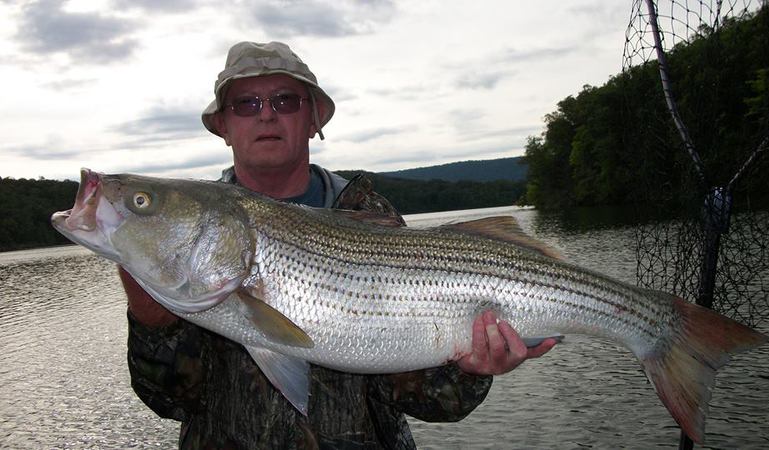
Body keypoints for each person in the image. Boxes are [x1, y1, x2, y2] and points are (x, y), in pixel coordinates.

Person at [120, 41, 557, 449]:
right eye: (246, 104)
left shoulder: (372, 215)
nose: (266, 115)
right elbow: (169, 399)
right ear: (224, 127)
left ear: (313, 120)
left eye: (285, 101)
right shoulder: (186, 237)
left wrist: (471, 370)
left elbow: (432, 402)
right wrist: (150, 318)